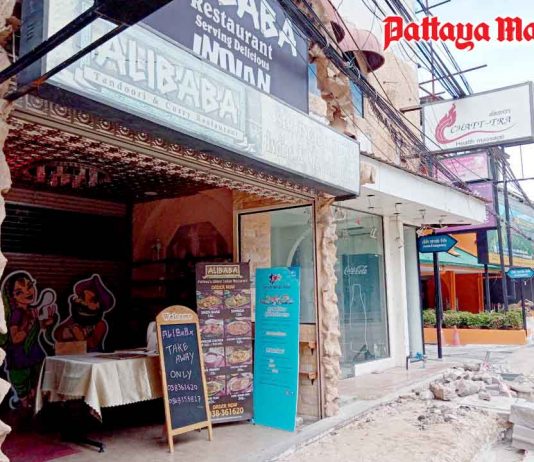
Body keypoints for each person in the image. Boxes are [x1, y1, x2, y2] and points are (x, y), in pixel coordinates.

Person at [0, 271, 58, 409]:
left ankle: (34, 410)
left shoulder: (31, 311)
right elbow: (15, 338)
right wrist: (27, 324)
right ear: (13, 297)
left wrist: (47, 323)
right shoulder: (17, 314)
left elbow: (37, 327)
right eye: (19, 292)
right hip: (20, 359)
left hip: (34, 356)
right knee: (24, 393)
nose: (27, 292)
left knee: (36, 388)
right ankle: (25, 413)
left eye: (29, 286)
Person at [54, 274, 115, 352]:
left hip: (91, 357)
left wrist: (81, 337)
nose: (81, 302)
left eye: (85, 299)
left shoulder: (100, 324)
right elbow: (57, 333)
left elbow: (93, 343)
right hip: (72, 354)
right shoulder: (75, 318)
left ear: (97, 305)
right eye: (80, 297)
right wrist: (65, 332)